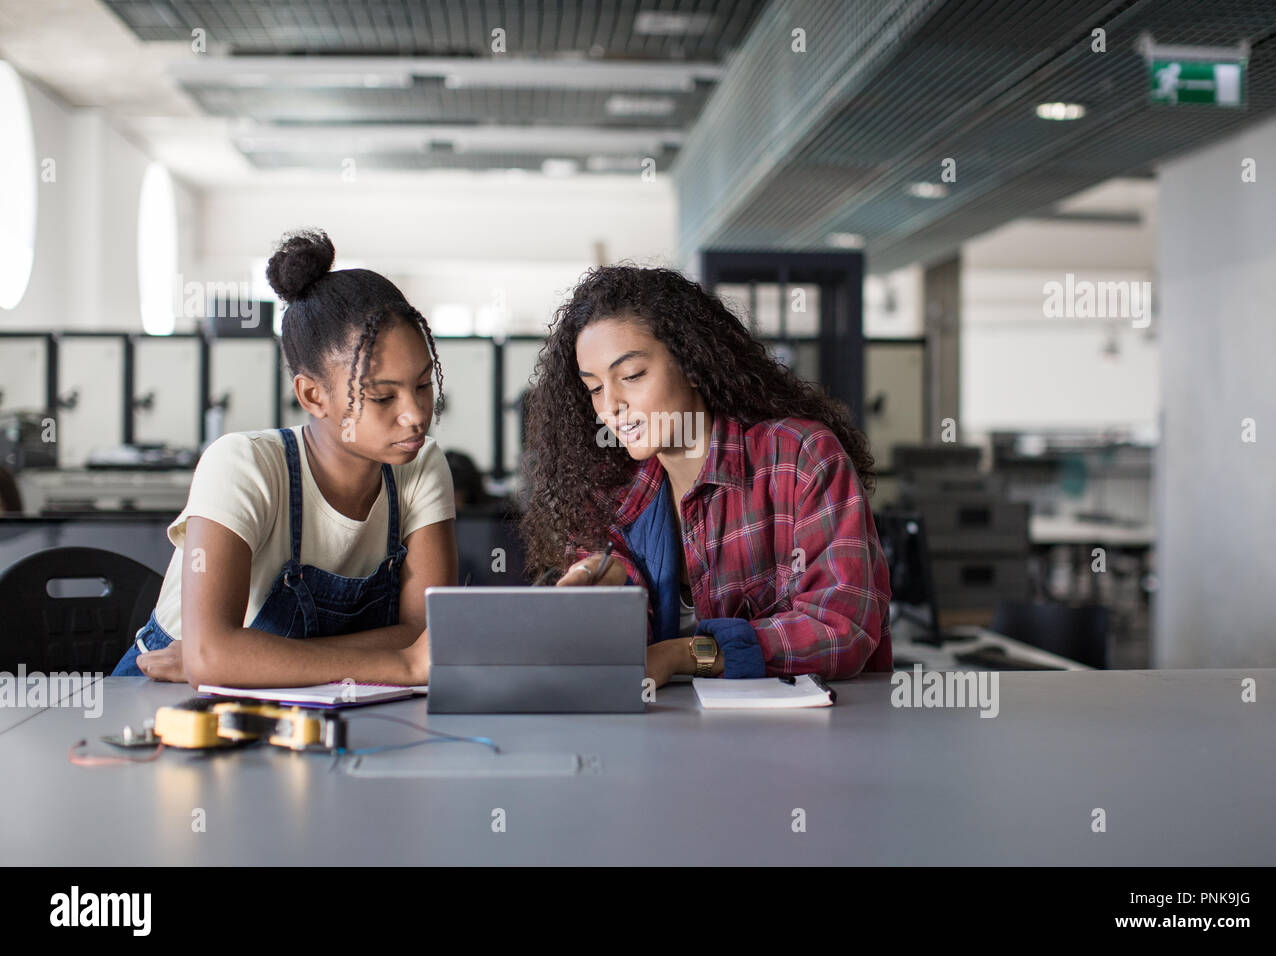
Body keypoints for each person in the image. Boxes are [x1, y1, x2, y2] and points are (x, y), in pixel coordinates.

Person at [109, 229, 457, 687]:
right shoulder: (241, 466)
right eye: (382, 397)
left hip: (319, 694)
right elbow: (211, 654)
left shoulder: (420, 465)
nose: (415, 415)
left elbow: (426, 633)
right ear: (313, 395)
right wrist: (404, 664)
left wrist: (246, 658)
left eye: (422, 385)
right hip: (163, 694)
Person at [521, 265, 892, 689]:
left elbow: (843, 626)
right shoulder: (610, 493)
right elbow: (611, 656)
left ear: (692, 364)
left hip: (813, 742)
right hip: (660, 741)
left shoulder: (799, 457)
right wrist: (607, 595)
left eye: (631, 376)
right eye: (594, 388)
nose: (611, 406)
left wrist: (684, 655)